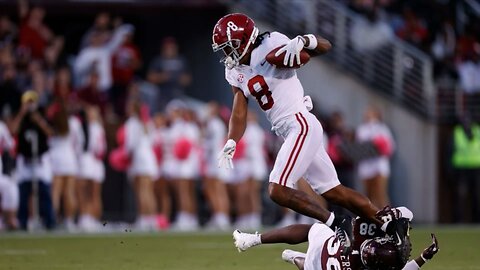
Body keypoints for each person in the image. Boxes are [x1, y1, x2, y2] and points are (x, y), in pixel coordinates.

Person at [212, 13, 404, 244]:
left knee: (277, 189)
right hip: (290, 130)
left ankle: (336, 223)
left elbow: (324, 47)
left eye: (228, 47)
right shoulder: (234, 70)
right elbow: (239, 108)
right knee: (334, 191)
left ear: (244, 40)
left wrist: (305, 41)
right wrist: (232, 140)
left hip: (299, 124)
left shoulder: (271, 43)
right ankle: (389, 225)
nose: (226, 54)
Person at [233, 206, 439, 270]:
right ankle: (294, 257)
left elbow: (406, 212)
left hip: (326, 247)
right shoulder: (372, 259)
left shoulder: (361, 231)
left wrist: (395, 225)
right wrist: (423, 258)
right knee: (309, 266)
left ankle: (255, 240)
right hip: (324, 264)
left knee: (310, 230)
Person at [10, 90, 55, 230]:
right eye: (27, 102)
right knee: (23, 192)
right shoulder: (20, 116)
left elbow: (50, 132)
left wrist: (39, 120)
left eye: (32, 102)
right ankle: (22, 222)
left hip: (41, 160)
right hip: (25, 160)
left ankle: (49, 221)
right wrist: (22, 113)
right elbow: (12, 130)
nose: (30, 105)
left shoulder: (41, 113)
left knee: (44, 191)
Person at [355, 106, 395, 209]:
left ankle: (387, 219)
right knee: (368, 195)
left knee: (381, 194)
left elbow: (390, 147)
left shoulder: (382, 128)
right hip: (366, 165)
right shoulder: (362, 129)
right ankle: (371, 219)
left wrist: (378, 146)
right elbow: (359, 146)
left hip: (379, 164)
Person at [202, 102, 231, 230]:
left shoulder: (215, 124)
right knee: (214, 189)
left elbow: (211, 144)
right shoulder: (214, 124)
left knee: (218, 189)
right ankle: (219, 216)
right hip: (215, 159)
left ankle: (222, 217)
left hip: (217, 159)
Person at [77, 106, 106, 232]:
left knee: (91, 192)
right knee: (86, 192)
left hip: (91, 162)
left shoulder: (96, 128)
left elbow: (100, 148)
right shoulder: (85, 127)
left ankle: (92, 218)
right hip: (91, 162)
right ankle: (87, 217)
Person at [450, 114, 480, 222]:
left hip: (477, 169)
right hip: (461, 169)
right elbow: (450, 150)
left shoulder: (477, 131)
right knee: (460, 196)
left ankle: (477, 220)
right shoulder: (457, 132)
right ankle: (458, 221)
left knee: (477, 196)